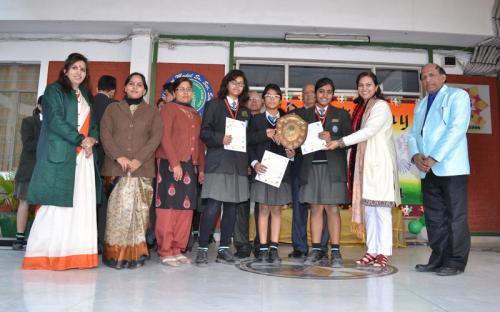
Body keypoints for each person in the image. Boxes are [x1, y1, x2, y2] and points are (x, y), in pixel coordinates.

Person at [23, 53, 100, 270]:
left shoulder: (86, 94)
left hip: (83, 158)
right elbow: (55, 120)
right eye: (74, 67)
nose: (79, 72)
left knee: (80, 205)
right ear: (65, 70)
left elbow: (94, 122)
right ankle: (45, 256)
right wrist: (80, 140)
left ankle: (76, 255)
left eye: (83, 69)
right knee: (54, 206)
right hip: (61, 155)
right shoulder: (53, 90)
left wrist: (92, 139)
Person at [326, 72, 401, 267]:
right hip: (363, 164)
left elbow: (369, 131)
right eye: (361, 85)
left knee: (381, 210)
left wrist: (340, 142)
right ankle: (372, 250)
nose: (365, 88)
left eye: (369, 85)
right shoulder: (361, 107)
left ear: (376, 87)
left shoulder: (381, 106)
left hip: (379, 164)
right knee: (369, 210)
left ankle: (384, 252)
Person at [408, 64, 471, 276]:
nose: (428, 80)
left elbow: (456, 129)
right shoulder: (421, 103)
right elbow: (413, 134)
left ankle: (455, 262)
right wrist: (416, 156)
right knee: (435, 218)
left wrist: (434, 157)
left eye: (432, 75)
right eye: (424, 77)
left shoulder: (457, 96)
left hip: (451, 167)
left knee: (455, 216)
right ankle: (438, 259)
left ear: (443, 77)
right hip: (427, 169)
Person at [100, 72, 162, 269]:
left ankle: (136, 255)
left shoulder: (152, 111)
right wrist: (119, 157)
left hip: (142, 169)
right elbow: (105, 134)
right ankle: (114, 255)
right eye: (131, 84)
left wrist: (138, 159)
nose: (135, 87)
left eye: (139, 85)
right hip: (115, 168)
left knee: (139, 215)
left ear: (144, 90)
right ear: (125, 88)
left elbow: (155, 138)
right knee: (116, 215)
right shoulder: (112, 109)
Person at [196, 69, 251, 265]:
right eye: (234, 82)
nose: (237, 86)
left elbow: (248, 139)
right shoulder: (215, 105)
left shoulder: (245, 111)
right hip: (218, 162)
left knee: (231, 208)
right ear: (226, 84)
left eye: (241, 84)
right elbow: (204, 132)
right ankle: (202, 248)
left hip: (238, 165)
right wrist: (221, 138)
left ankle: (224, 250)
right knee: (212, 207)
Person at [299, 77, 352, 267]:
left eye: (329, 92)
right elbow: (296, 140)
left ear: (333, 94)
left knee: (332, 208)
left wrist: (334, 137)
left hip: (333, 167)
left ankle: (335, 250)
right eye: (321, 91)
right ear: (315, 93)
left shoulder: (342, 114)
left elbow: (349, 139)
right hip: (311, 167)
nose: (324, 95)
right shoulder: (304, 115)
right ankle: (316, 249)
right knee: (315, 208)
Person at [154, 77, 205, 266]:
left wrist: (201, 168)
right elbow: (164, 136)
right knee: (168, 207)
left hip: (190, 166)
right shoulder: (168, 108)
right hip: (170, 163)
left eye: (189, 89)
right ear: (174, 92)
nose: (185, 92)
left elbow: (200, 144)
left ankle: (177, 248)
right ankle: (165, 250)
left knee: (185, 209)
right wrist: (174, 163)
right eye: (181, 89)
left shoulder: (196, 114)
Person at [248, 84, 294, 263]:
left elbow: (294, 144)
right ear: (263, 99)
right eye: (269, 96)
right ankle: (263, 248)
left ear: (280, 99)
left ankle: (274, 248)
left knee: (276, 209)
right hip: (262, 170)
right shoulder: (256, 120)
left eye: (276, 96)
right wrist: (254, 163)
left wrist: (291, 155)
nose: (272, 99)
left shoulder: (289, 120)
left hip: (281, 172)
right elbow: (248, 143)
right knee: (263, 209)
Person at [288, 83, 329, 259]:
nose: (309, 95)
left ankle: (320, 247)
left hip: (322, 169)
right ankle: (299, 247)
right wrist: (290, 149)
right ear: (302, 96)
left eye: (313, 92)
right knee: (299, 208)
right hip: (300, 166)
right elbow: (290, 140)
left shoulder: (327, 115)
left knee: (322, 208)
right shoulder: (296, 116)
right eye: (305, 93)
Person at [233, 91, 263, 259]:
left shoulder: (267, 121)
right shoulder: (238, 119)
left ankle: (261, 244)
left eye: (257, 99)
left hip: (262, 170)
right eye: (250, 99)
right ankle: (242, 245)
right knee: (240, 208)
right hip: (242, 169)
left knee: (262, 208)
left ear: (263, 103)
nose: (253, 102)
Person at [12, 96, 42, 250]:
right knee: (24, 202)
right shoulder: (29, 122)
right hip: (29, 169)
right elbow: (29, 144)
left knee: (44, 205)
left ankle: (39, 238)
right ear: (39, 106)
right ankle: (19, 238)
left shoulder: (56, 125)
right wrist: (49, 141)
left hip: (47, 171)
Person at [92, 75, 117, 253]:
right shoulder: (113, 106)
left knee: (88, 200)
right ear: (113, 90)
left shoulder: (87, 102)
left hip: (88, 158)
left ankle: (88, 239)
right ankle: (101, 241)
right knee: (103, 202)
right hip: (107, 161)